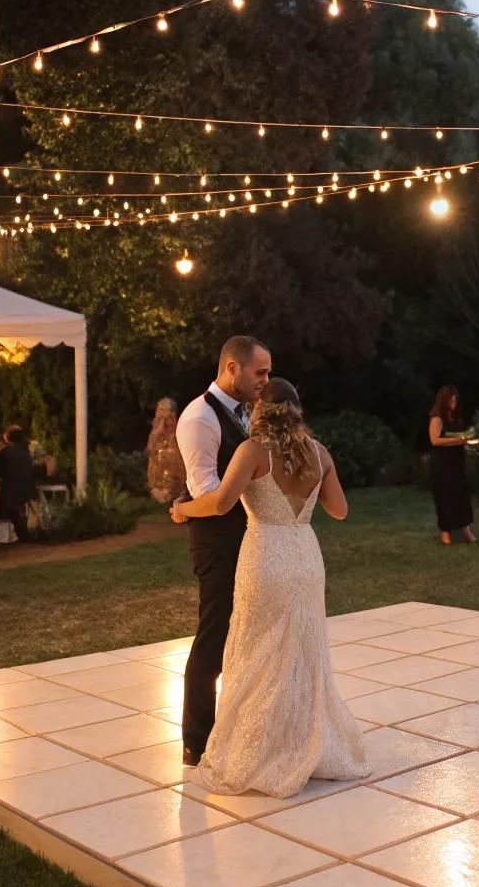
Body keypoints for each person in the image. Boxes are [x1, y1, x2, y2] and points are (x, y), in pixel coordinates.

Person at [170, 377, 369, 797]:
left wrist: (183, 509)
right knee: (301, 650)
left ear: (261, 411)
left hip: (265, 555)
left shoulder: (252, 451)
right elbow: (340, 510)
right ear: (297, 410)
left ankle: (261, 749)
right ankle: (304, 742)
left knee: (258, 649)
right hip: (305, 556)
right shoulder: (319, 453)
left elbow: (221, 502)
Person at [175, 336, 273, 766]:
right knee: (214, 634)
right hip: (216, 542)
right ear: (232, 368)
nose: (265, 381)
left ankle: (236, 727)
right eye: (259, 373)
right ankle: (197, 740)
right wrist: (181, 509)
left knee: (244, 633)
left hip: (249, 538)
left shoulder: (247, 413)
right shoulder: (199, 417)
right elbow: (209, 493)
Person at [428, 385, 476, 545]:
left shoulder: (455, 418)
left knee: (461, 495)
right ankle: (445, 531)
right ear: (445, 400)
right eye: (452, 399)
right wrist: (458, 440)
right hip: (442, 464)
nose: (455, 402)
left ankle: (466, 530)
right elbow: (435, 440)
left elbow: (458, 436)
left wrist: (467, 440)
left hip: (456, 462)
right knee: (445, 497)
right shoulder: (437, 418)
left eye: (455, 399)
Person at [0, 425, 38, 541]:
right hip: (28, 491)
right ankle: (20, 530)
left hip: (11, 493)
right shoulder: (26, 453)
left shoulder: (5, 453)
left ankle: (15, 532)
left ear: (7, 438)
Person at [145, 396, 186, 503]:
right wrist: (156, 432)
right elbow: (148, 451)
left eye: (162, 410)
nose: (159, 414)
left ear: (172, 414)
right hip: (156, 486)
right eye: (158, 410)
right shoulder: (156, 432)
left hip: (174, 487)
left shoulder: (179, 433)